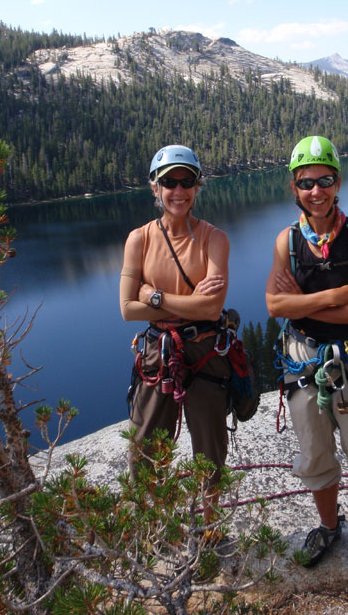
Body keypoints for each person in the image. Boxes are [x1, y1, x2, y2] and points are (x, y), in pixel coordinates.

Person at [265, 135, 348, 582]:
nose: (316, 191)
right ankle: (328, 525)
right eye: (306, 183)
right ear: (294, 187)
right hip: (304, 358)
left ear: (338, 182)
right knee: (314, 448)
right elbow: (273, 305)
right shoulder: (287, 241)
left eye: (324, 180)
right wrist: (335, 294)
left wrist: (304, 302)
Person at [120, 144, 230, 520]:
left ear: (198, 186)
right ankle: (156, 524)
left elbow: (212, 308)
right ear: (155, 187)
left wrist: (154, 296)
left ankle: (210, 523)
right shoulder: (140, 239)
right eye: (169, 182)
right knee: (146, 444)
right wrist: (188, 303)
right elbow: (126, 309)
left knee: (210, 446)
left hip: (204, 353)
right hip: (158, 353)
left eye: (187, 182)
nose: (178, 191)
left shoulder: (215, 239)